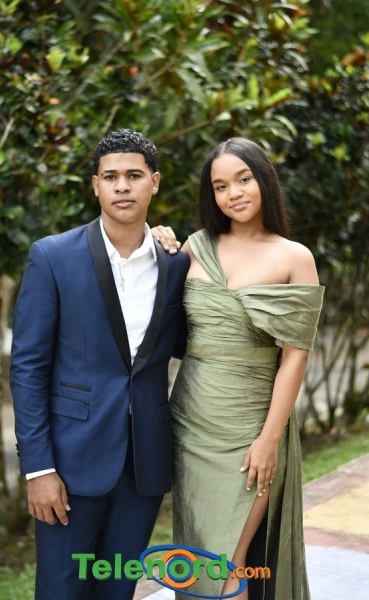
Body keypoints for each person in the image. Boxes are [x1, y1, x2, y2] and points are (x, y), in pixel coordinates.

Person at [9, 128, 190, 600]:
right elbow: (28, 368)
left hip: (143, 465)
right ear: (95, 185)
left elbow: (186, 344)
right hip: (69, 465)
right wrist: (38, 469)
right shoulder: (53, 257)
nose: (122, 186)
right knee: (61, 589)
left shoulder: (176, 264)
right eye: (110, 177)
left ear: (154, 182)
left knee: (117, 588)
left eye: (134, 175)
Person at [152, 137, 324, 599]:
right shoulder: (196, 247)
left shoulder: (294, 257)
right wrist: (158, 239)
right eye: (221, 186)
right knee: (198, 558)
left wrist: (268, 440)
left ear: (264, 179)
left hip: (250, 428)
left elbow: (295, 357)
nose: (234, 193)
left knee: (227, 560)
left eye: (243, 179)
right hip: (190, 421)